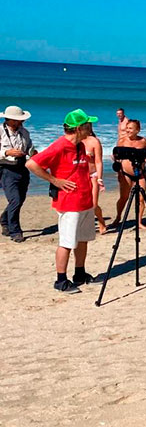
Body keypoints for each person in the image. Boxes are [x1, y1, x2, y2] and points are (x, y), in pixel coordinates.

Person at [26, 109, 100, 293]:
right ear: (79, 128)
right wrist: (54, 180)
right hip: (69, 202)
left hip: (84, 199)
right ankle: (60, 280)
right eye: (88, 125)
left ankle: (80, 273)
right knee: (67, 242)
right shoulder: (60, 146)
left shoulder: (80, 145)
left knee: (83, 239)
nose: (91, 128)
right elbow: (32, 164)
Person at [1, 105, 36, 243]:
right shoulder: (0, 131)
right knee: (15, 200)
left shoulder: (25, 132)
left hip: (22, 167)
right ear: (10, 119)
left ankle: (4, 219)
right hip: (6, 168)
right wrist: (7, 152)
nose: (22, 122)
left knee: (20, 199)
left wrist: (34, 154)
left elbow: (30, 148)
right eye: (19, 120)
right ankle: (15, 231)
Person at [110, 119, 146, 230]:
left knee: (141, 198)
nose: (128, 130)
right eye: (127, 128)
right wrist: (116, 163)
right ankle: (118, 217)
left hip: (140, 173)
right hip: (125, 173)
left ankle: (139, 222)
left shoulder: (143, 141)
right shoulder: (122, 141)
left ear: (137, 130)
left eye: (131, 128)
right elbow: (116, 156)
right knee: (124, 197)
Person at [82, 122, 107, 234]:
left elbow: (98, 161)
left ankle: (101, 220)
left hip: (93, 175)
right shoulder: (76, 140)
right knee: (81, 203)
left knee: (93, 204)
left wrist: (100, 178)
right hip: (80, 176)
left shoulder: (94, 141)